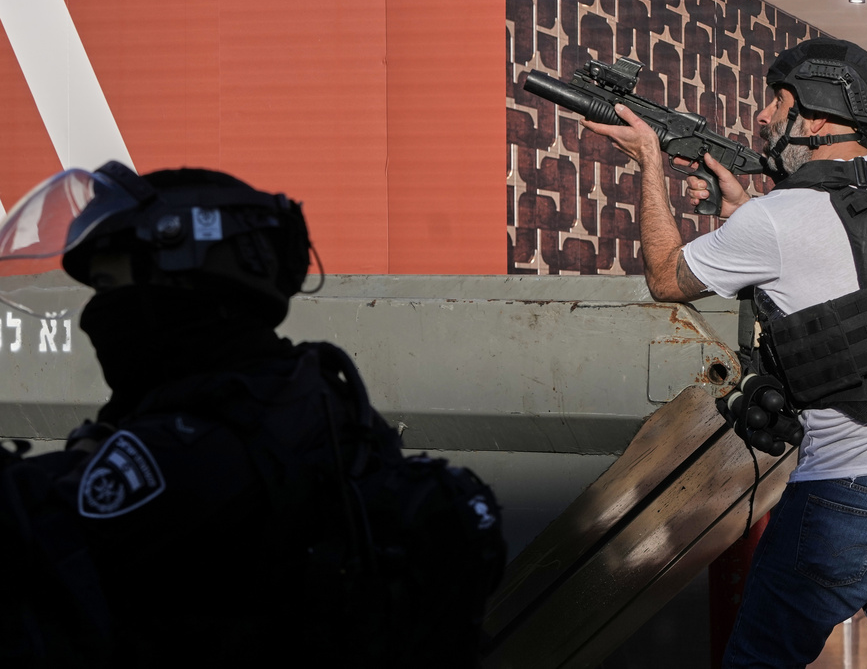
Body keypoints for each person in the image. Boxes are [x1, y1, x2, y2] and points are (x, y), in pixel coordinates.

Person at [583, 38, 867, 668]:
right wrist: (744, 212)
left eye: (775, 103)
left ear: (815, 116)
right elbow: (851, 272)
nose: (761, 118)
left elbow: (668, 278)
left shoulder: (777, 218)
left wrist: (648, 161)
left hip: (851, 488)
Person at [0, 162, 505, 667]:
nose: (99, 315)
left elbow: (36, 533)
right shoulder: (308, 394)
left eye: (112, 288)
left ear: (181, 276)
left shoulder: (201, 445)